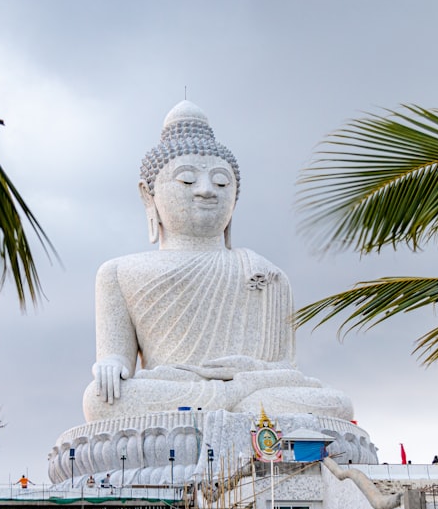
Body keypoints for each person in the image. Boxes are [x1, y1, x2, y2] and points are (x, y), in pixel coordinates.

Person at [83, 101, 353, 422]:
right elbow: (118, 358)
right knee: (100, 400)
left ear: (235, 195)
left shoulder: (267, 274)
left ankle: (236, 410)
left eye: (222, 182)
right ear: (148, 194)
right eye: (187, 180)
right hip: (177, 390)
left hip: (257, 390)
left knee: (337, 403)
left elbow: (283, 369)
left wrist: (244, 378)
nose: (206, 190)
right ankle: (240, 413)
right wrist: (111, 365)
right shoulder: (118, 273)